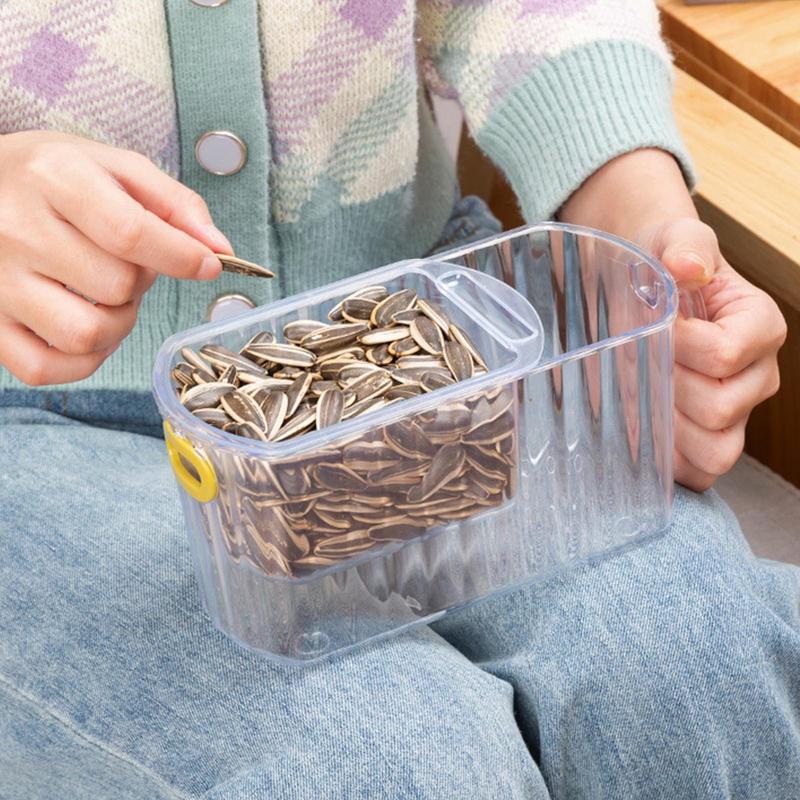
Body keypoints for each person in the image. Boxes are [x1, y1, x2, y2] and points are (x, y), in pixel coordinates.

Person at [0, 1, 797, 798]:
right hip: (31, 418)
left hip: (438, 335)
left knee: (691, 651)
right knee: (396, 760)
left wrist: (644, 232)